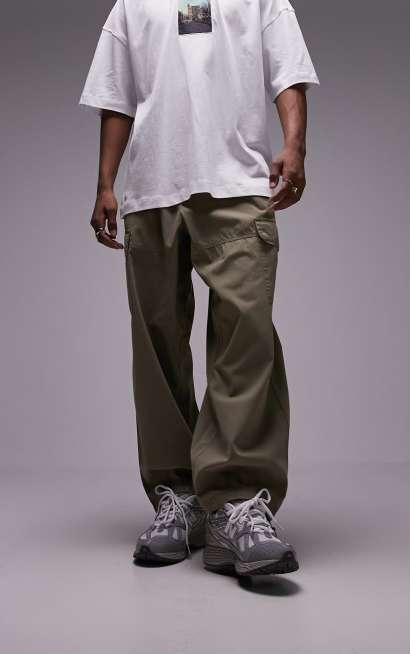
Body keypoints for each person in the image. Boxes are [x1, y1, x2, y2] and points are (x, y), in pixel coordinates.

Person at [78, 0, 319, 576]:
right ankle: (179, 498)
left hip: (237, 181)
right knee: (157, 345)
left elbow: (288, 73)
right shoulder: (131, 5)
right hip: (151, 187)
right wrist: (106, 182)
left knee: (246, 338)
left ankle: (236, 503)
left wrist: (295, 145)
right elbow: (116, 96)